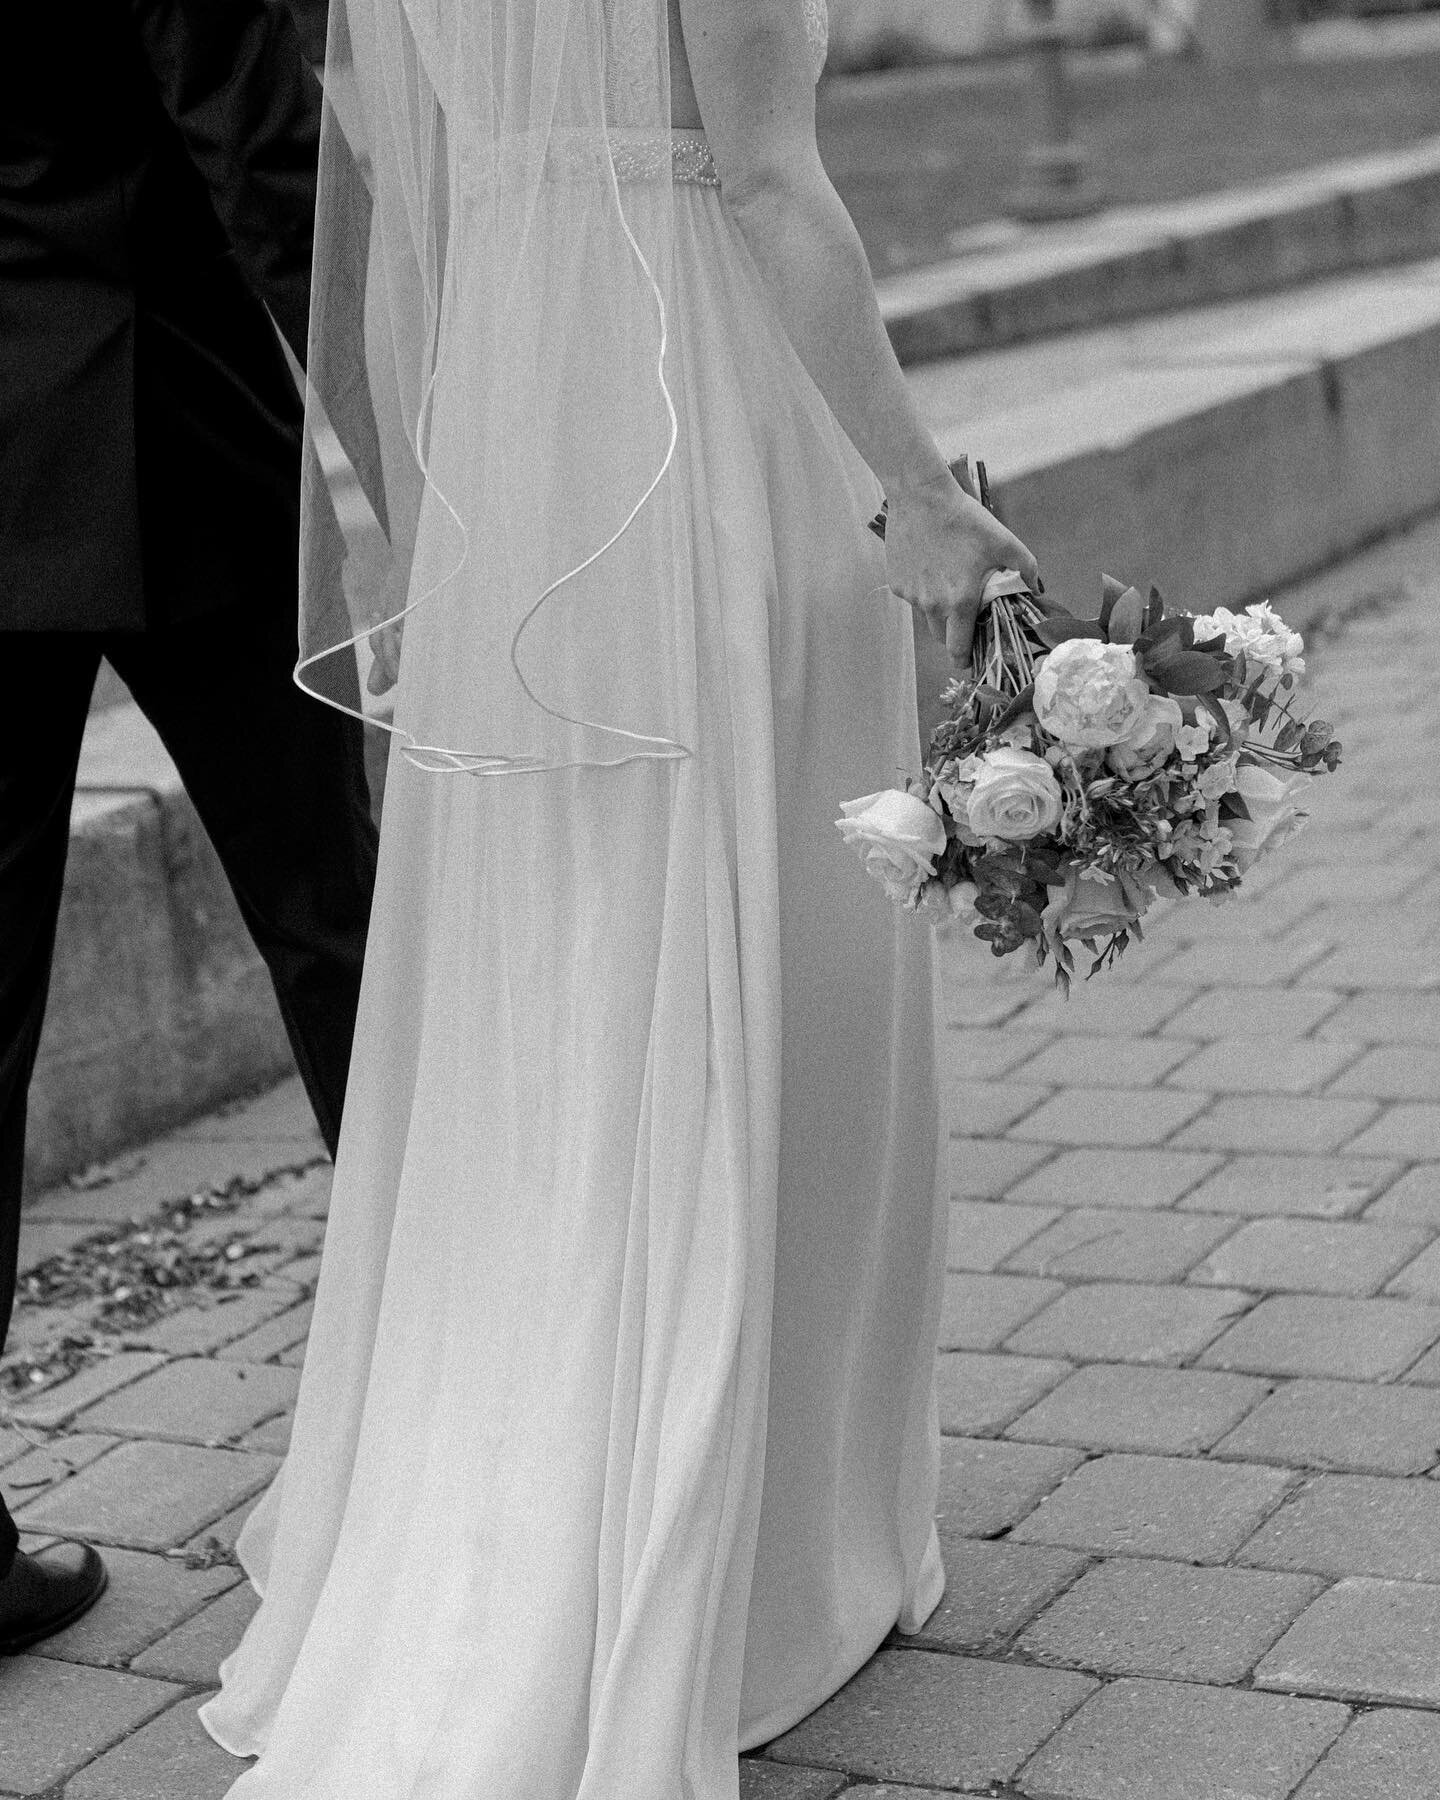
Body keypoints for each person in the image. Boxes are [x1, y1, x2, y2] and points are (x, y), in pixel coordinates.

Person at [200, 0, 1039, 1791]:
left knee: (557, 991)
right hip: (713, 448)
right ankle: (739, 1553)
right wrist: (917, 494)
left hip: (521, 460)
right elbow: (766, 178)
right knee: (774, 961)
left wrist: (455, 525)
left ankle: (513, 1482)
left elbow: (394, 241)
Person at [0, 0, 377, 1651]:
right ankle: (469, 1444)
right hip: (174, 446)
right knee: (340, 935)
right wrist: (431, 464)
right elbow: (265, 157)